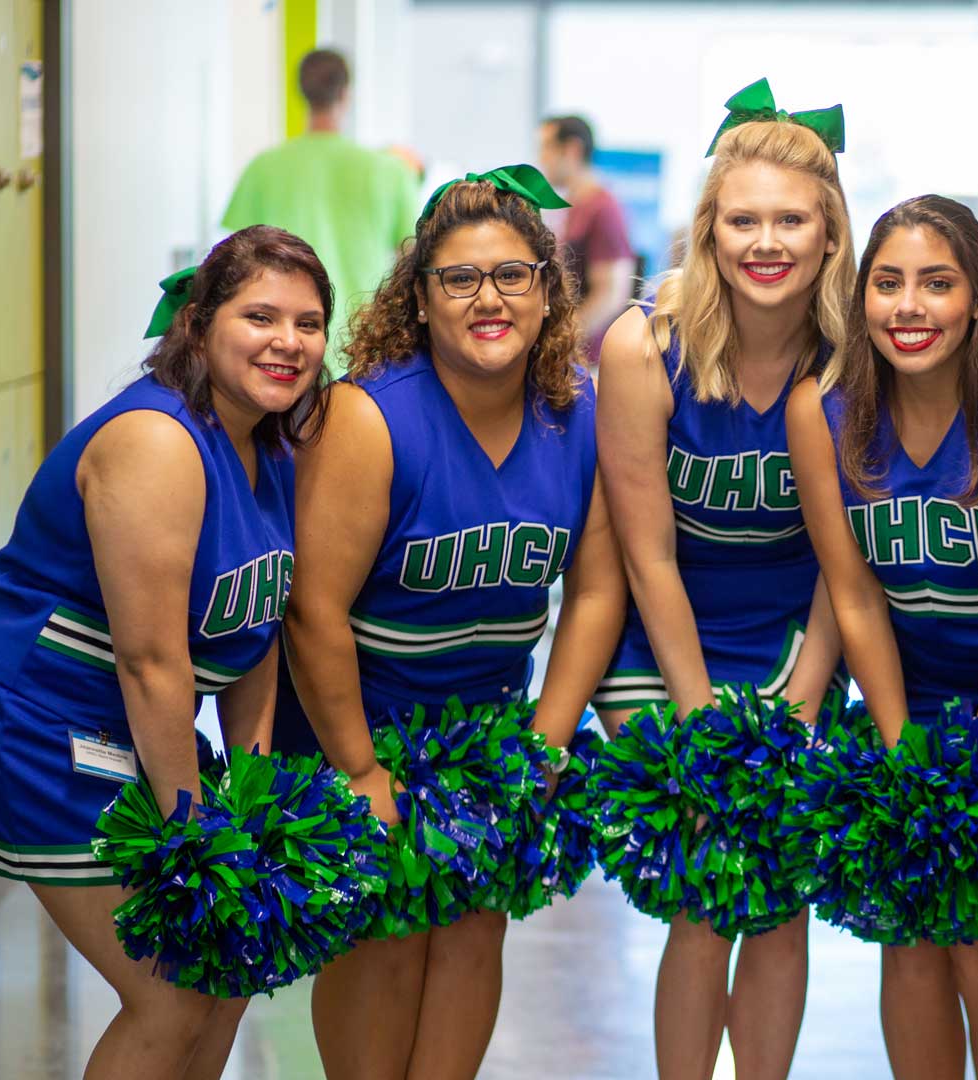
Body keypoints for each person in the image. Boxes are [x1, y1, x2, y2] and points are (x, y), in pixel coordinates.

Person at [0, 226, 331, 1080]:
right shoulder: (158, 442)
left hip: (123, 718)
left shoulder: (270, 440)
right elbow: (150, 665)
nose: (288, 341)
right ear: (199, 322)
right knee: (170, 995)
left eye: (309, 322)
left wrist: (251, 799)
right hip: (37, 714)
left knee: (228, 963)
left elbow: (255, 636)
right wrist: (193, 839)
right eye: (261, 316)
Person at [274, 166, 624, 1080]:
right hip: (361, 724)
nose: (489, 299)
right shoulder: (369, 416)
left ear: (548, 293)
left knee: (474, 930)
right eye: (459, 279)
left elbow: (594, 592)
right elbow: (313, 611)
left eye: (513, 275)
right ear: (419, 301)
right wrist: (359, 770)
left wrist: (545, 741)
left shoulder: (579, 412)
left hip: (487, 728)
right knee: (384, 937)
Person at [592, 77, 852, 1080]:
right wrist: (702, 715)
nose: (767, 241)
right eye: (742, 219)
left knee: (779, 901)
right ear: (707, 230)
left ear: (830, 235)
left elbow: (847, 560)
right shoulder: (641, 347)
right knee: (706, 894)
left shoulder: (853, 359)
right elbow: (645, 555)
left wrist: (806, 688)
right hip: (664, 646)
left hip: (796, 636)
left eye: (791, 220)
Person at [784, 195, 978, 1079]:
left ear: (975, 296)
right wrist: (901, 752)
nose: (910, 307)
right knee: (906, 937)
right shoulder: (821, 412)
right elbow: (853, 594)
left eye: (937, 284)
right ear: (859, 300)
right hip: (905, 701)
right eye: (888, 283)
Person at [223, 47, 419, 368]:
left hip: (282, 347)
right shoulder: (390, 170)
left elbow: (235, 265)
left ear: (301, 91)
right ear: (346, 93)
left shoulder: (263, 168)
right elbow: (411, 262)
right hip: (363, 347)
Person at [539, 114, 636, 363]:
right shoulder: (572, 206)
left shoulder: (603, 208)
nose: (541, 159)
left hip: (590, 361)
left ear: (572, 150)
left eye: (546, 148)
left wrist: (563, 341)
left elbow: (611, 293)